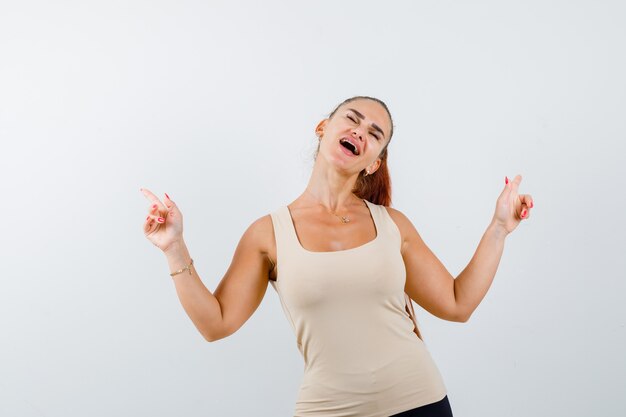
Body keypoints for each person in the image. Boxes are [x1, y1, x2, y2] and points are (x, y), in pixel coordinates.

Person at [140, 96, 534, 417]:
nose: (359, 133)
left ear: (373, 162)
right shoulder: (267, 233)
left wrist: (499, 228)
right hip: (328, 410)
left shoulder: (393, 225)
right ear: (323, 128)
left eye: (374, 134)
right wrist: (174, 246)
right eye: (352, 120)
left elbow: (457, 304)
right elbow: (216, 324)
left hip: (420, 402)